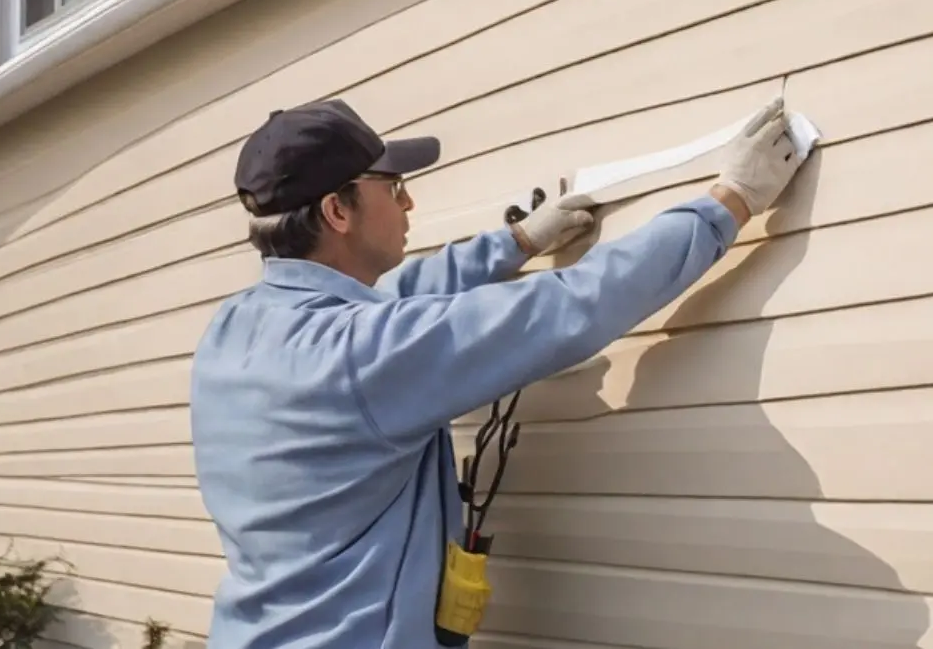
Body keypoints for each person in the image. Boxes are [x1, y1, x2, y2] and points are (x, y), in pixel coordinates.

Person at [190, 96, 803, 648]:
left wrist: (518, 242)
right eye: (392, 185)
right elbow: (571, 304)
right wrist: (729, 202)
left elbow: (396, 304)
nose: (408, 201)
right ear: (337, 211)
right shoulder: (360, 355)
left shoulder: (237, 330)